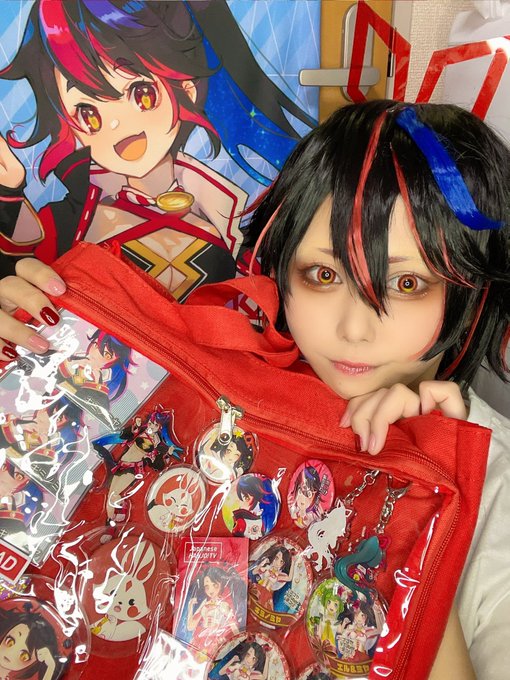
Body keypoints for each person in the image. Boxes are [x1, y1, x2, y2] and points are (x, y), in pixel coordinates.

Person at [2, 99, 509, 679]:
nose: (354, 328)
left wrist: (419, 505)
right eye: (323, 275)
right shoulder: (223, 393)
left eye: (407, 283)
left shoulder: (497, 487)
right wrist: (25, 376)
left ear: (474, 292)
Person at [0, 0, 314, 309]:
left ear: (187, 88)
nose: (116, 123)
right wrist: (9, 195)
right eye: (88, 113)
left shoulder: (230, 212)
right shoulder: (71, 218)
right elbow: (25, 259)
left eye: (141, 94)